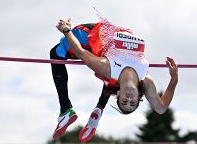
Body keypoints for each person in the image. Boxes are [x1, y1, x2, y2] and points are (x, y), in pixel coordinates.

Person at [50, 18, 178, 142]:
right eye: (132, 103)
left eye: (124, 101)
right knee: (114, 78)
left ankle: (65, 108)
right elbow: (161, 108)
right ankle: (99, 107)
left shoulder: (105, 67)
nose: (128, 99)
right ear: (139, 95)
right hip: (120, 34)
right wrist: (174, 78)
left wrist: (66, 31)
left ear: (118, 94)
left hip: (92, 35)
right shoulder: (146, 80)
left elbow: (80, 52)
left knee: (55, 53)